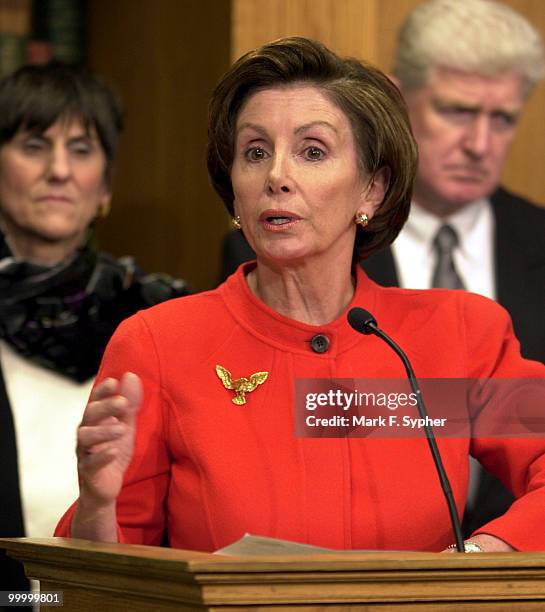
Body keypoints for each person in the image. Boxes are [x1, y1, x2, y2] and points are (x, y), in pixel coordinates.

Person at [56, 37, 545, 554]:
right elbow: (89, 584)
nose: (276, 176)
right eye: (255, 152)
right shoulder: (159, 345)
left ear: (372, 190)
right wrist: (97, 506)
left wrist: (479, 558)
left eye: (313, 151)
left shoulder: (455, 337)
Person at [218, 0, 545, 536]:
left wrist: (491, 552)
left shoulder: (474, 317)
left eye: (502, 119)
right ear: (399, 103)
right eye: (458, 111)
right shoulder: (283, 252)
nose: (479, 144)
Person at [0, 62, 191, 593]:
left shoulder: (162, 314)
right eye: (35, 146)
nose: (59, 171)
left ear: (104, 182)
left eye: (81, 150)